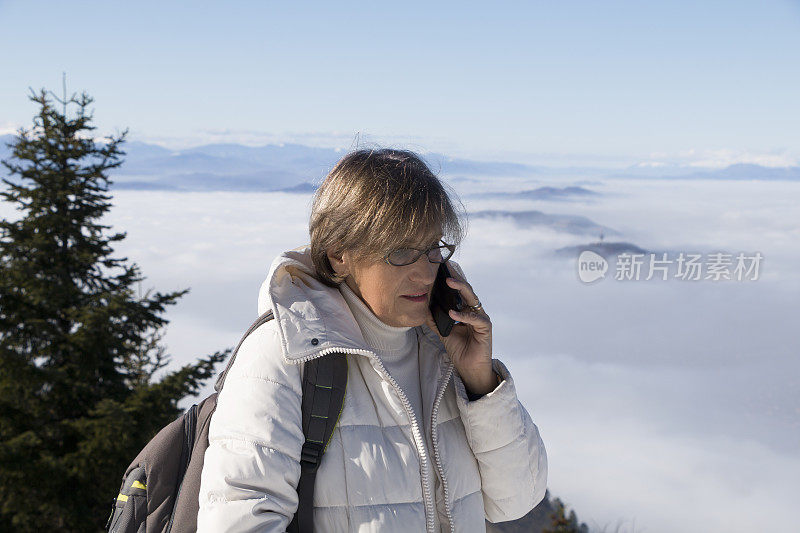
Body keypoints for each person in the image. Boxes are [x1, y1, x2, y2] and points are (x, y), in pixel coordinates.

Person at [197, 148, 548, 532]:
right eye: (401, 252)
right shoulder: (284, 355)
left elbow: (516, 498)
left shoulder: (442, 349)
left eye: (433, 249)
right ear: (338, 256)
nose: (425, 273)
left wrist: (481, 382)